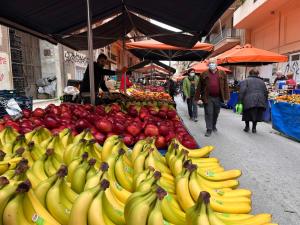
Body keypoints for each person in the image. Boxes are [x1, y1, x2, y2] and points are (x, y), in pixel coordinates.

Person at [195, 58, 229, 137]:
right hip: (208, 97)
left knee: (216, 113)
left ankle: (213, 125)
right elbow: (199, 87)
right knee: (208, 113)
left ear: (216, 64)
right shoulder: (204, 73)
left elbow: (226, 86)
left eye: (213, 63)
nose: (211, 64)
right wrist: (197, 98)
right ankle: (209, 129)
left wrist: (226, 98)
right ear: (208, 64)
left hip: (218, 97)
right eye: (210, 63)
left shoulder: (222, 73)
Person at [238, 69, 268, 133]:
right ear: (257, 74)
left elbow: (242, 91)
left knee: (247, 113)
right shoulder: (262, 82)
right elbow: (266, 92)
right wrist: (265, 101)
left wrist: (239, 101)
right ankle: (254, 128)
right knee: (257, 114)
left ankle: (247, 127)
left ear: (250, 73)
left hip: (248, 99)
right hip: (260, 99)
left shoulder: (245, 80)